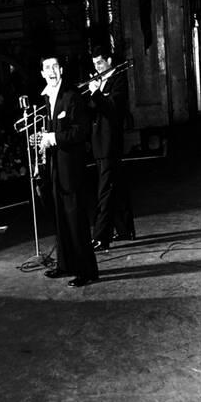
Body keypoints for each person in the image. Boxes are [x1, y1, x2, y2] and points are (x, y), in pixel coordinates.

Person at [39, 55, 99, 287]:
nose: (51, 71)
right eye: (47, 68)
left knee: (76, 219)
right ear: (42, 73)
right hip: (56, 168)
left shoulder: (71, 95)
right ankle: (66, 265)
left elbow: (81, 131)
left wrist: (53, 138)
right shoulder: (47, 96)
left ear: (61, 70)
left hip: (71, 169)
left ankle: (87, 271)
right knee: (61, 217)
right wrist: (44, 140)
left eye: (55, 66)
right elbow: (55, 130)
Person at [88, 45, 136, 251]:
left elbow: (113, 109)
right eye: (95, 65)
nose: (97, 68)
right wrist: (94, 93)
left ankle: (100, 236)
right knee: (116, 185)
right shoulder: (102, 80)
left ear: (109, 61)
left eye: (100, 63)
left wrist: (97, 93)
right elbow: (94, 111)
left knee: (105, 190)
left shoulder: (119, 80)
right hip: (99, 143)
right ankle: (125, 230)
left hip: (109, 144)